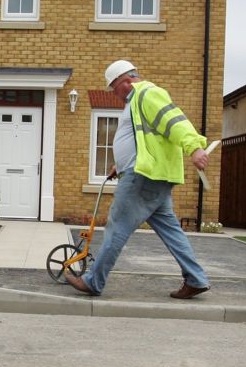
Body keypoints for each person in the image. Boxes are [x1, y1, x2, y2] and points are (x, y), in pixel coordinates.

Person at [64, 60, 211, 299]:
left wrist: (194, 148)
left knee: (117, 226)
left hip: (142, 177)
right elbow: (143, 139)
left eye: (114, 88)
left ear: (125, 82)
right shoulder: (136, 102)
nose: (114, 94)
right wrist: (119, 165)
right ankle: (196, 279)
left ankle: (93, 281)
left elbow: (173, 120)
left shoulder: (147, 94)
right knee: (171, 230)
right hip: (151, 175)